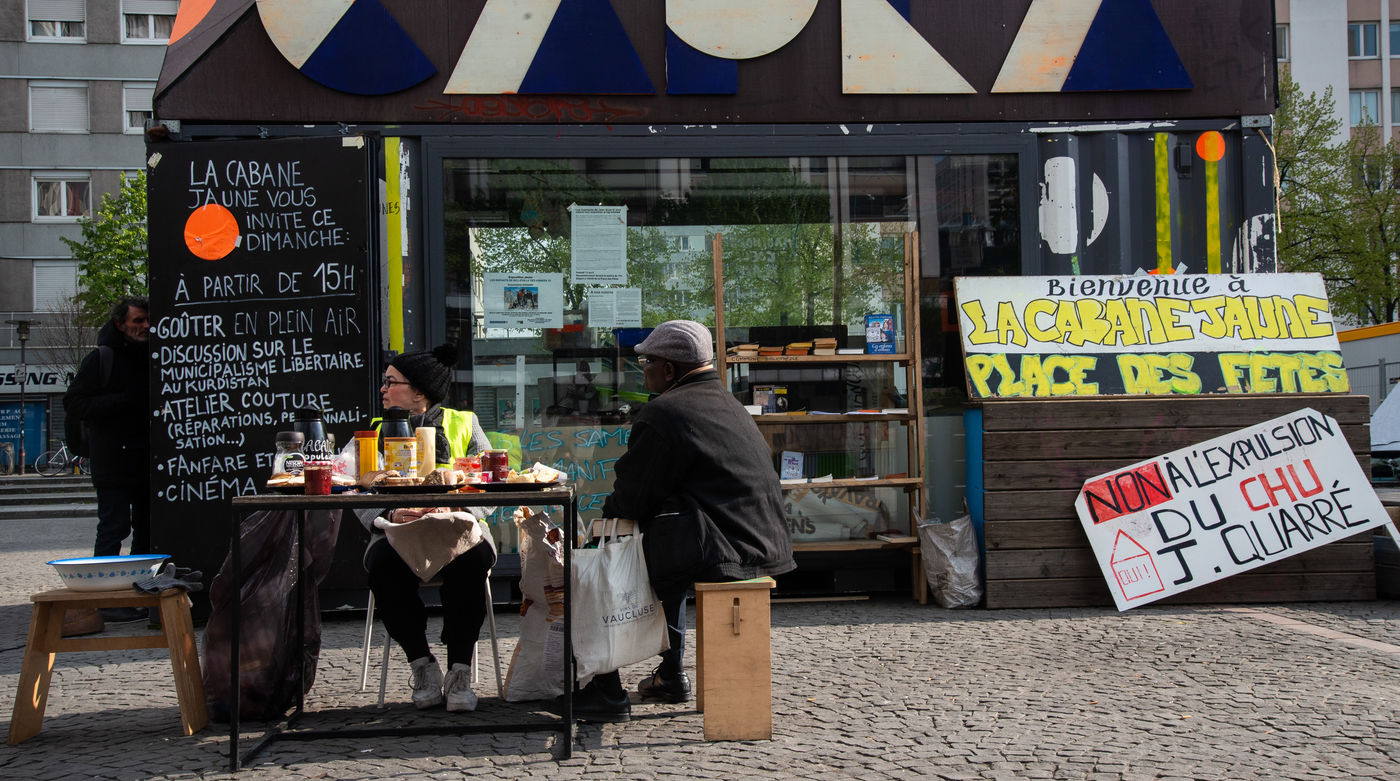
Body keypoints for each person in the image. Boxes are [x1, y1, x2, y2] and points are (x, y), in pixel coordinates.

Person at [572, 320, 796, 722]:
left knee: (600, 563)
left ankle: (604, 690)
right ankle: (671, 674)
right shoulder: (727, 404)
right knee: (665, 547)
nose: (644, 370)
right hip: (758, 540)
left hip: (723, 547)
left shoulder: (666, 412)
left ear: (670, 369)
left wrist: (600, 533)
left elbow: (634, 496)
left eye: (648, 362)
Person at [364, 343, 497, 712]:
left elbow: (490, 482)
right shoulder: (374, 431)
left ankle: (459, 670)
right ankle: (421, 663)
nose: (383, 389)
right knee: (382, 566)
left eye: (391, 382)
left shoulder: (465, 423)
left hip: (456, 528)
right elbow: (357, 487)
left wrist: (457, 507)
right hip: (399, 531)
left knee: (471, 561)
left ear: (419, 391)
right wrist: (389, 514)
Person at [63, 295, 152, 624]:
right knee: (114, 528)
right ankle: (105, 600)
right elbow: (74, 403)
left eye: (148, 320)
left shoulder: (156, 356)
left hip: (146, 460)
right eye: (138, 321)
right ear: (120, 324)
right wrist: (123, 401)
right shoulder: (102, 358)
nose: (145, 326)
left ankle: (141, 593)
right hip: (112, 460)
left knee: (147, 529)